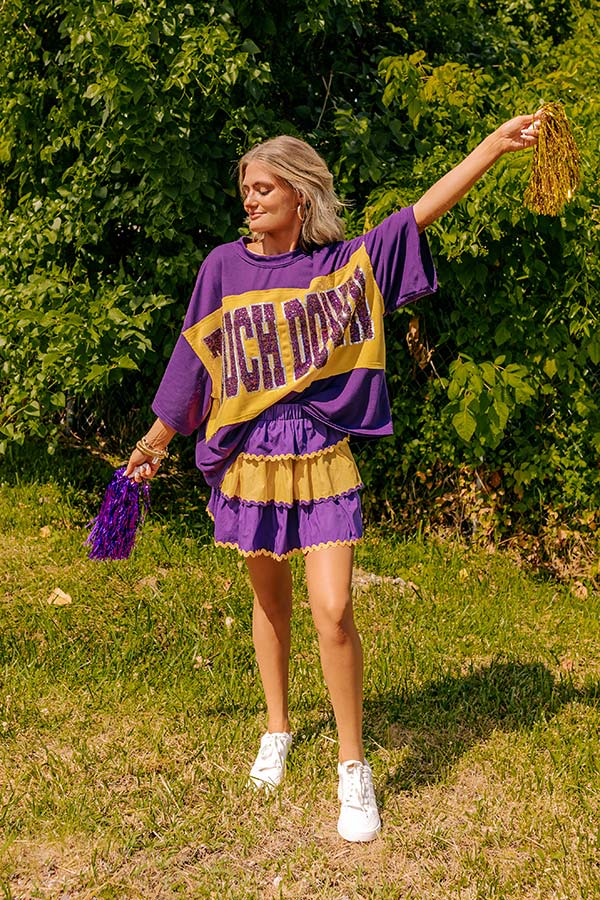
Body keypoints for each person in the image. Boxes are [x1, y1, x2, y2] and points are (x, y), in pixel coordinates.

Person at [126, 113, 539, 842]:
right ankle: (278, 730)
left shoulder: (339, 265)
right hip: (250, 456)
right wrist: (156, 440)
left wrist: (492, 148)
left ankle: (354, 767)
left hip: (322, 453)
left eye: (263, 188)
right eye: (245, 190)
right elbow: (192, 360)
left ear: (299, 194)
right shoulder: (224, 265)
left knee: (334, 607)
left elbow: (418, 213)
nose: (250, 200)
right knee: (269, 599)